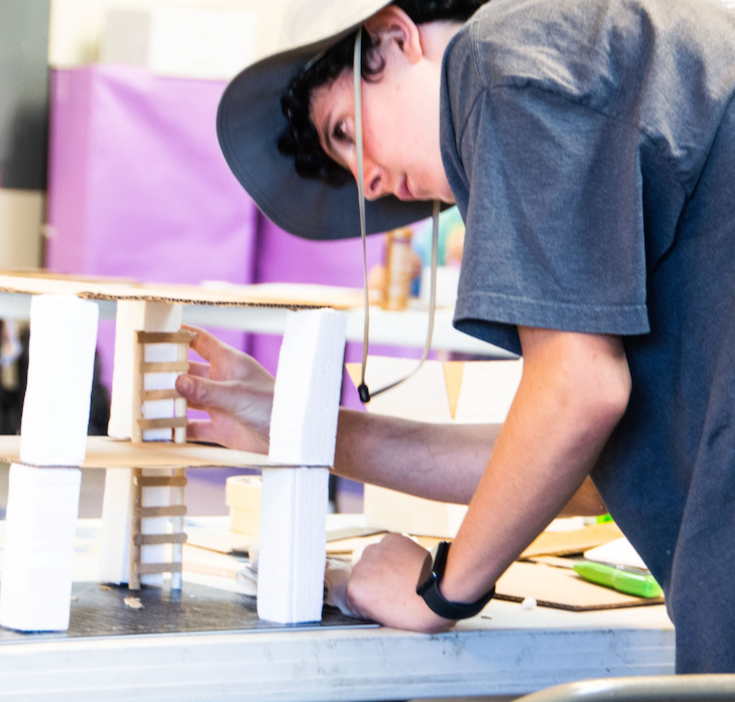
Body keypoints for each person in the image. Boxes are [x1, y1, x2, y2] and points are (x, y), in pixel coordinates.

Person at [176, 0, 735, 673]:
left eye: (346, 130)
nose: (370, 181)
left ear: (393, 36)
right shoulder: (582, 61)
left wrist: (438, 591)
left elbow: (578, 392)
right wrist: (292, 426)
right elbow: (575, 466)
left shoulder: (496, 61)